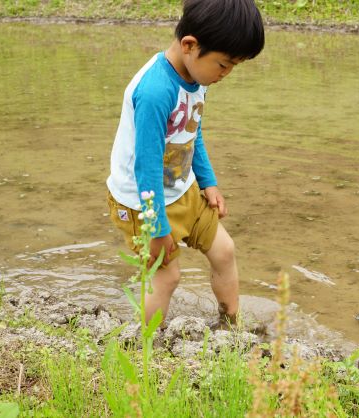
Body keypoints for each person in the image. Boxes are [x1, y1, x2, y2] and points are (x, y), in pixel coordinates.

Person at [106, 0, 265, 326]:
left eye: (234, 65)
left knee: (224, 250)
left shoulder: (196, 79)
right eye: (224, 64)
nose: (227, 74)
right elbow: (146, 167)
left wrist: (208, 182)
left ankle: (233, 327)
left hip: (182, 189)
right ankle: (146, 344)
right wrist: (158, 228)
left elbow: (193, 131)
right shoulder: (155, 92)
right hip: (142, 202)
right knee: (166, 275)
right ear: (190, 45)